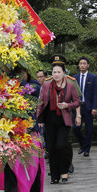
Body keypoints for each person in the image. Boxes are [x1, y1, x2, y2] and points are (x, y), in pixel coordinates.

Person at [37, 56, 81, 184]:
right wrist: (39, 117)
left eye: (58, 72)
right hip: (49, 120)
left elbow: (77, 102)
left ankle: (65, 171)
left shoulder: (70, 85)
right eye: (54, 72)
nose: (56, 75)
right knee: (51, 148)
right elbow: (41, 102)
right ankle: (54, 176)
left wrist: (68, 106)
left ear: (64, 72)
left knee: (61, 145)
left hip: (63, 120)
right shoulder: (46, 84)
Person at [72, 57, 97, 157]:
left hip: (88, 107)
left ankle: (87, 149)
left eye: (84, 63)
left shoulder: (93, 77)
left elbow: (95, 94)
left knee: (89, 129)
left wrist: (94, 107)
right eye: (80, 63)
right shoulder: (74, 78)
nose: (82, 65)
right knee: (75, 128)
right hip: (77, 107)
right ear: (78, 65)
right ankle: (83, 144)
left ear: (88, 65)